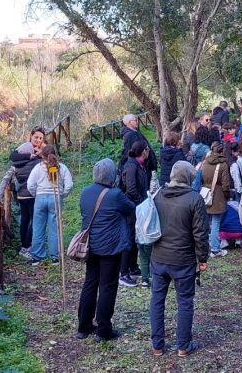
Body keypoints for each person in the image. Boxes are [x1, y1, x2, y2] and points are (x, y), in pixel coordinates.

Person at [149, 161, 209, 357]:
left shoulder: (157, 195)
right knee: (185, 301)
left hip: (159, 257)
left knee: (157, 300)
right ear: (189, 177)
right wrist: (203, 258)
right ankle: (183, 345)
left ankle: (157, 345)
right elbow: (200, 233)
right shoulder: (194, 199)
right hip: (183, 260)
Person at [75, 159, 136, 342]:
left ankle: (83, 327)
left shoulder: (85, 192)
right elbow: (132, 208)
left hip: (91, 246)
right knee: (107, 286)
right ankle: (103, 329)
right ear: (112, 176)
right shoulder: (115, 195)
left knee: (90, 283)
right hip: (110, 248)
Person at [27, 146, 74, 265]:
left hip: (40, 198)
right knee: (54, 228)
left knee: (38, 227)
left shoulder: (37, 168)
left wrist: (36, 194)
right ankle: (55, 257)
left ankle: (36, 257)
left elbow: (30, 185)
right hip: (55, 197)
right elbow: (69, 185)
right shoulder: (62, 167)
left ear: (42, 156)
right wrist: (61, 195)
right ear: (55, 154)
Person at [10, 126, 46, 259]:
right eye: (36, 137)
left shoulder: (37, 151)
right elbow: (12, 156)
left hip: (21, 193)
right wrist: (32, 156)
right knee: (34, 219)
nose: (38, 140)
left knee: (25, 219)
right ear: (31, 136)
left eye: (41, 138)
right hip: (31, 192)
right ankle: (27, 246)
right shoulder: (27, 148)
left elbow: (14, 159)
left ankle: (24, 246)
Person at [119, 141, 151, 286]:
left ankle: (133, 267)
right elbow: (131, 189)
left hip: (137, 206)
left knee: (135, 237)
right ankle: (123, 273)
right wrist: (141, 203)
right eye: (147, 149)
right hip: (132, 208)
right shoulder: (131, 166)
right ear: (142, 151)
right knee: (129, 238)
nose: (149, 151)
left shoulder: (140, 165)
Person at [200, 142, 231, 258]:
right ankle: (215, 249)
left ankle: (204, 246)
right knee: (216, 223)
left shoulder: (205, 162)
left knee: (205, 223)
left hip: (204, 194)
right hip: (217, 196)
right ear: (222, 151)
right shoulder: (223, 165)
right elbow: (225, 185)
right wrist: (227, 195)